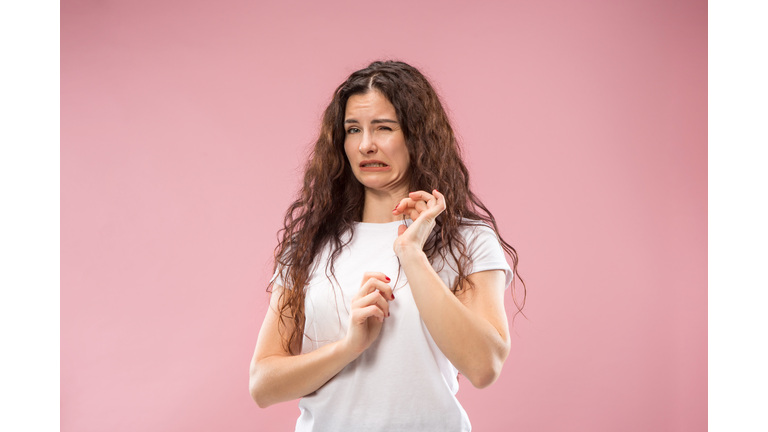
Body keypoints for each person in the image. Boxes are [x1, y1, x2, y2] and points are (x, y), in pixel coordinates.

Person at [248, 60, 525, 432]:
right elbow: (263, 384)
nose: (365, 144)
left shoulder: (467, 239)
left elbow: (484, 365)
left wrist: (411, 254)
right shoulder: (311, 244)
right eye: (353, 129)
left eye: (383, 128)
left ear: (416, 135)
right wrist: (349, 346)